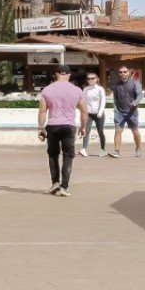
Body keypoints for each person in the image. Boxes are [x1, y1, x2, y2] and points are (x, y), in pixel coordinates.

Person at [38, 65, 85, 196]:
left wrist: (40, 128)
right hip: (69, 126)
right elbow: (84, 111)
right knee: (68, 156)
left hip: (52, 125)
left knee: (53, 155)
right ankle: (64, 187)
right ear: (69, 75)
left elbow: (42, 111)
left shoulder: (47, 90)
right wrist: (83, 127)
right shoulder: (77, 90)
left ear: (56, 74)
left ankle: (55, 183)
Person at [109, 65, 144, 158]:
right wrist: (115, 108)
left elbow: (140, 94)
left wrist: (136, 102)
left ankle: (138, 148)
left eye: (124, 72)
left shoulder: (134, 83)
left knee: (135, 131)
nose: (122, 73)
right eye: (120, 72)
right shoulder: (117, 85)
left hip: (132, 112)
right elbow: (115, 98)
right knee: (118, 131)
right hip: (120, 112)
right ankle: (116, 150)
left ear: (128, 73)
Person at [79, 72, 108, 157]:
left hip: (99, 114)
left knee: (100, 132)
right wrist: (83, 112)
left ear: (96, 79)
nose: (90, 80)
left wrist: (100, 111)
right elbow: (83, 102)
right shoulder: (85, 89)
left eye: (92, 78)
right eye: (88, 78)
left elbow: (103, 101)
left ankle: (102, 150)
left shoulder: (100, 89)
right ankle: (84, 149)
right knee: (86, 131)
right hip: (89, 114)